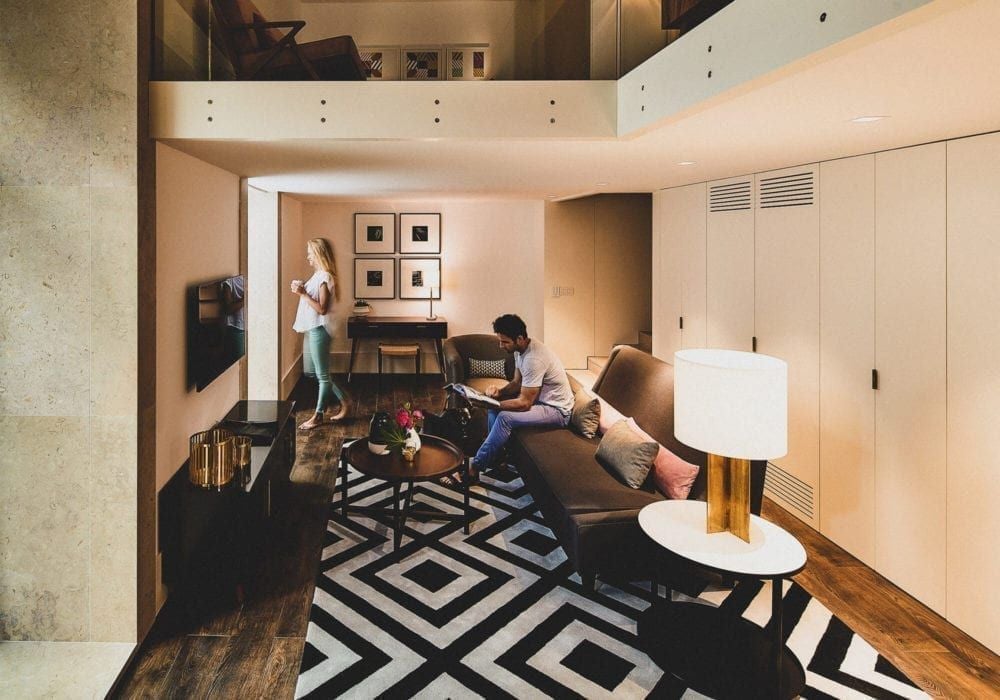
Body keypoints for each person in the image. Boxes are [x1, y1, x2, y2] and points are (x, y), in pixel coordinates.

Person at [467, 313, 574, 481]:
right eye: (500, 340)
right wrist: (498, 394)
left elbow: (524, 403)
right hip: (540, 401)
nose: (501, 346)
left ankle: (474, 468)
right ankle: (497, 458)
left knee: (504, 417)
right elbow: (517, 382)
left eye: (504, 342)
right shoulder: (520, 351)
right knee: (494, 409)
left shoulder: (534, 358)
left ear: (519, 338)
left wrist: (490, 404)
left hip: (557, 410)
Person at [291, 238, 349, 429]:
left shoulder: (325, 276)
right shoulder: (318, 275)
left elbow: (321, 309)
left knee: (322, 376)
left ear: (318, 254)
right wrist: (302, 289)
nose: (307, 255)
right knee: (311, 372)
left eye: (309, 252)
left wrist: (302, 293)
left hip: (320, 330)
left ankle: (318, 415)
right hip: (312, 329)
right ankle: (344, 400)